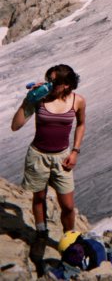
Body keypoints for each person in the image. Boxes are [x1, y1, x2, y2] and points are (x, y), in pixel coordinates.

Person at [11, 64, 86, 235]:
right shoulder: (40, 99)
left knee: (67, 205)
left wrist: (75, 151)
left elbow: (81, 124)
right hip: (38, 155)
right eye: (48, 80)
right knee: (39, 198)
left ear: (66, 84)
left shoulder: (78, 101)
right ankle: (41, 232)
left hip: (62, 157)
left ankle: (70, 239)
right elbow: (16, 125)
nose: (48, 85)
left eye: (53, 82)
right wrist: (28, 100)